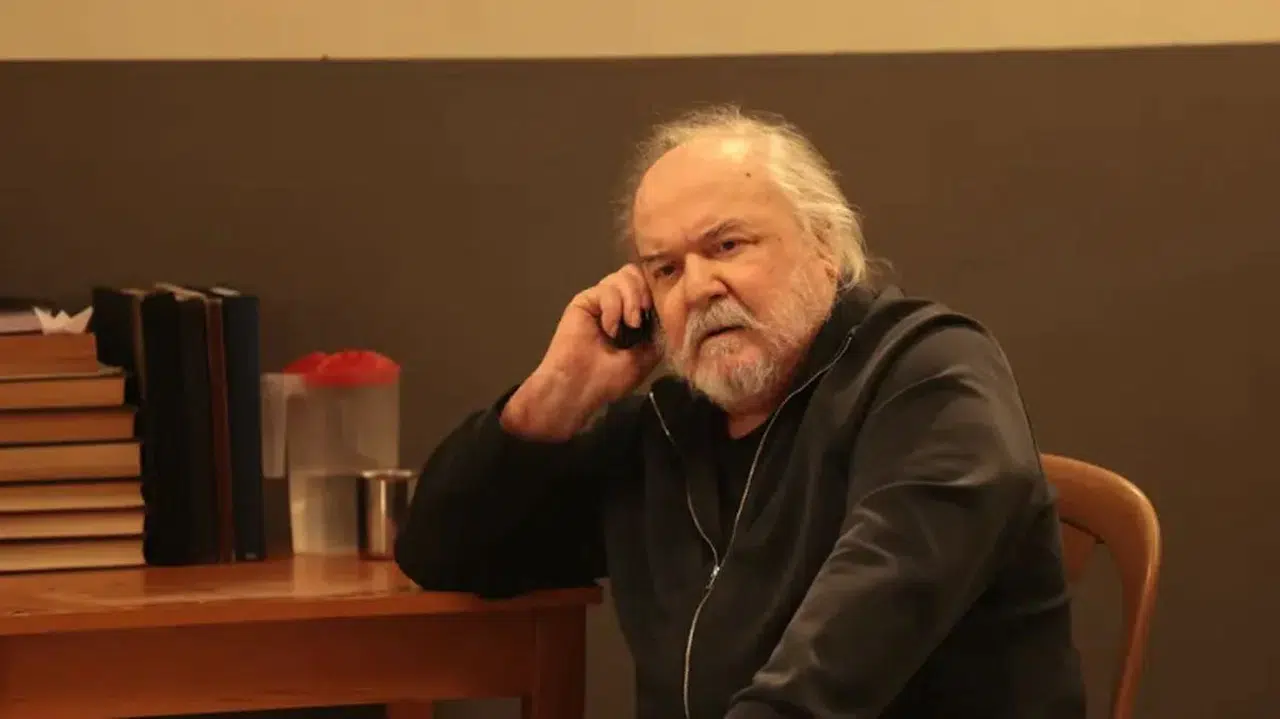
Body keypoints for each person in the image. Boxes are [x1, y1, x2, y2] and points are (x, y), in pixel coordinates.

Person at [395, 105, 1087, 719]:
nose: (698, 287)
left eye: (727, 245)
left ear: (824, 245)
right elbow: (443, 552)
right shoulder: (665, 431)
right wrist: (556, 393)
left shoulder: (930, 375)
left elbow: (838, 665)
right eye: (665, 269)